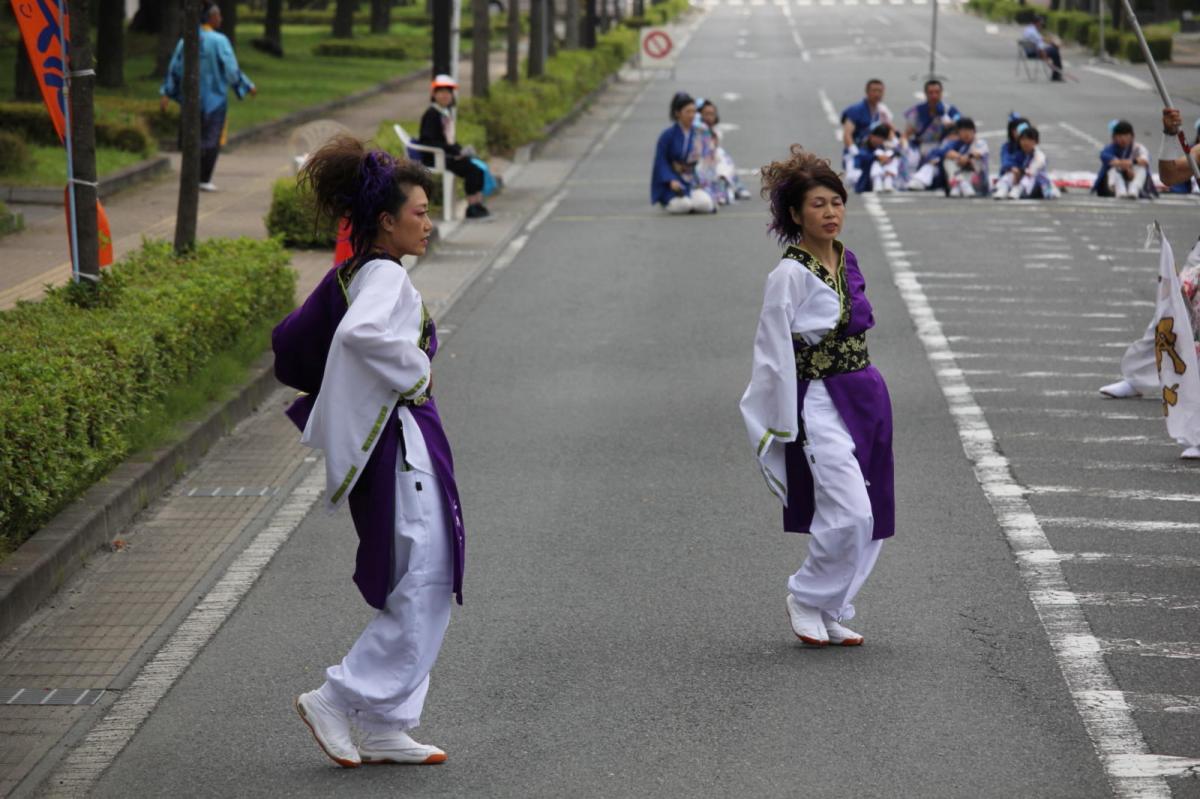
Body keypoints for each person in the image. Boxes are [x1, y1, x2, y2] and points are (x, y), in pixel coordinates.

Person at [272, 136, 465, 768]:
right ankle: (339, 697)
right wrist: (414, 372)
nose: (428, 222)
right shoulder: (383, 275)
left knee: (415, 581)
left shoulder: (355, 272)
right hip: (399, 447)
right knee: (427, 580)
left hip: (390, 448)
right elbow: (361, 335)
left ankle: (387, 725)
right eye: (419, 211)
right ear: (386, 221)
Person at [740, 146, 895, 646]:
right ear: (794, 214)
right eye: (817, 205)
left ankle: (830, 605)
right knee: (850, 510)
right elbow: (771, 351)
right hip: (820, 400)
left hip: (866, 395)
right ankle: (806, 595)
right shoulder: (789, 275)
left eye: (836, 202)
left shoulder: (847, 258)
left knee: (870, 515)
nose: (830, 213)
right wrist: (778, 418)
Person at [160, 3, 257, 192]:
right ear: (210, 18)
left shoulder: (186, 40)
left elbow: (175, 68)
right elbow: (231, 70)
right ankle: (204, 178)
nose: (221, 19)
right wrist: (246, 86)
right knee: (212, 139)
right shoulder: (220, 41)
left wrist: (166, 92)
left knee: (191, 137)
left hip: (190, 100)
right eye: (218, 15)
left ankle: (190, 177)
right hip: (215, 100)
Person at [418, 74, 492, 219]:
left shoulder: (444, 113)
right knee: (472, 170)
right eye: (442, 92)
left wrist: (460, 150)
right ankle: (471, 207)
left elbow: (448, 141)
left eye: (448, 92)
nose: (446, 96)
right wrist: (453, 151)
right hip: (436, 158)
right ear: (434, 94)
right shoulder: (431, 114)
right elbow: (428, 141)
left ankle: (477, 203)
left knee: (477, 167)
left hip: (447, 155)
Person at [651, 92, 716, 215]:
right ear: (678, 113)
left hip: (692, 179)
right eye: (688, 112)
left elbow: (706, 157)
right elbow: (661, 161)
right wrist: (671, 180)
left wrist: (702, 179)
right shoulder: (667, 135)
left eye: (694, 111)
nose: (692, 115)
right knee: (684, 205)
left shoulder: (699, 132)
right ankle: (668, 201)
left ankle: (692, 199)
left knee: (705, 204)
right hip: (673, 181)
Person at [907, 117, 989, 196]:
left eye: (969, 130)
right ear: (959, 133)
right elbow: (939, 151)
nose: (966, 134)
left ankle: (960, 183)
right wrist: (957, 156)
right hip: (961, 178)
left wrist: (966, 158)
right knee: (948, 159)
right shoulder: (958, 143)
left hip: (977, 181)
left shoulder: (980, 143)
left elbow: (977, 154)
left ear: (974, 131)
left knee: (974, 160)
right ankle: (957, 184)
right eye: (963, 131)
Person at [693, 99, 752, 205]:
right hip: (700, 162)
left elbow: (714, 149)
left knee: (724, 161)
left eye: (712, 114)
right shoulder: (696, 131)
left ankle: (734, 188)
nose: (709, 117)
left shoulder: (716, 132)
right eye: (706, 114)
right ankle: (716, 192)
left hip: (712, 161)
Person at [841, 79, 894, 186]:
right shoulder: (855, 110)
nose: (877, 94)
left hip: (876, 151)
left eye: (880, 91)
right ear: (867, 92)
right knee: (855, 179)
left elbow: (891, 131)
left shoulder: (883, 111)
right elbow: (847, 135)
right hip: (858, 151)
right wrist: (855, 152)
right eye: (874, 91)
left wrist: (890, 146)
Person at [903, 80, 960, 171]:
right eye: (931, 93)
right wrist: (904, 146)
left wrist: (951, 123)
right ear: (925, 94)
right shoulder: (917, 111)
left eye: (937, 92)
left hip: (943, 145)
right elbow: (907, 134)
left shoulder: (949, 110)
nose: (934, 96)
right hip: (922, 145)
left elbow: (960, 124)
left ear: (942, 93)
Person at [1094, 119, 1153, 199]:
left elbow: (1145, 160)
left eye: (1126, 135)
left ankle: (1134, 190)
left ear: (1132, 136)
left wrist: (1131, 164)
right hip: (1109, 186)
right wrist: (1126, 168)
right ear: (1114, 137)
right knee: (1114, 168)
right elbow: (1113, 162)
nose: (1123, 139)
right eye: (1119, 136)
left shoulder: (1138, 148)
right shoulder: (1108, 149)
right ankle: (1120, 192)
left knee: (1142, 168)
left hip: (1132, 177)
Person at [993, 125, 1056, 200]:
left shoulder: (1039, 155)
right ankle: (1003, 189)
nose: (1025, 142)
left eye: (1029, 139)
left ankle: (1017, 190)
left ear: (1036, 142)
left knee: (1028, 177)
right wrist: (1013, 170)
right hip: (1019, 179)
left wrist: (1019, 172)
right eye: (1023, 139)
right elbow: (1008, 166)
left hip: (1037, 185)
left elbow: (1032, 171)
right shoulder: (1019, 154)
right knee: (1009, 174)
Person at [851, 124, 902, 194]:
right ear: (872, 136)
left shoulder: (884, 148)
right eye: (878, 137)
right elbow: (858, 161)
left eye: (883, 138)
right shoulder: (864, 145)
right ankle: (878, 182)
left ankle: (888, 182)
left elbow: (899, 150)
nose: (880, 141)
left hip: (884, 175)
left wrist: (888, 158)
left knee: (893, 159)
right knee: (876, 163)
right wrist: (876, 158)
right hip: (864, 180)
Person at [1021, 15, 1064, 82]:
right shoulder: (1034, 33)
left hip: (1029, 52)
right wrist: (1046, 58)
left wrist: (1050, 42)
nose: (1042, 25)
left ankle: (1057, 73)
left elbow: (1040, 40)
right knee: (1055, 51)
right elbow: (1040, 47)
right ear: (1037, 23)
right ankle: (1056, 75)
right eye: (1041, 24)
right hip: (1035, 53)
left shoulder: (1028, 29)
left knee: (1053, 47)